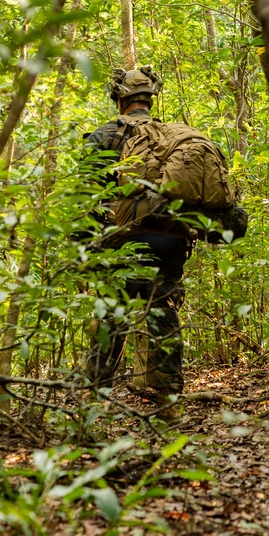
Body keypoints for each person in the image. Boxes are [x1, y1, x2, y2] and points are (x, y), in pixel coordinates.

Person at [83, 66, 228, 420]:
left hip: (121, 240)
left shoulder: (104, 137)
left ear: (119, 98)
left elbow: (84, 197)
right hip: (170, 240)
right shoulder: (172, 136)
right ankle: (169, 402)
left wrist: (85, 248)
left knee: (111, 316)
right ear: (150, 99)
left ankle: (97, 401)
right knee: (162, 312)